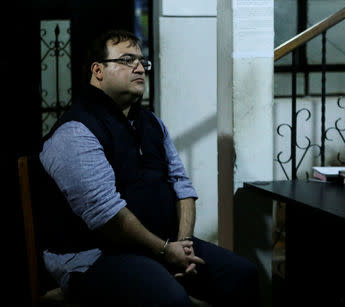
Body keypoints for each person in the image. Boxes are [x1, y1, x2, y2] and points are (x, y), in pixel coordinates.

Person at [39, 29, 260, 306]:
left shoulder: (151, 123)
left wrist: (182, 245)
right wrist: (167, 251)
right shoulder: (76, 131)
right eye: (127, 60)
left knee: (243, 276)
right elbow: (109, 218)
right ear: (98, 70)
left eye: (142, 61)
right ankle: (70, 289)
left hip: (162, 244)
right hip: (97, 255)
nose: (139, 67)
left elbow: (182, 186)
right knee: (171, 300)